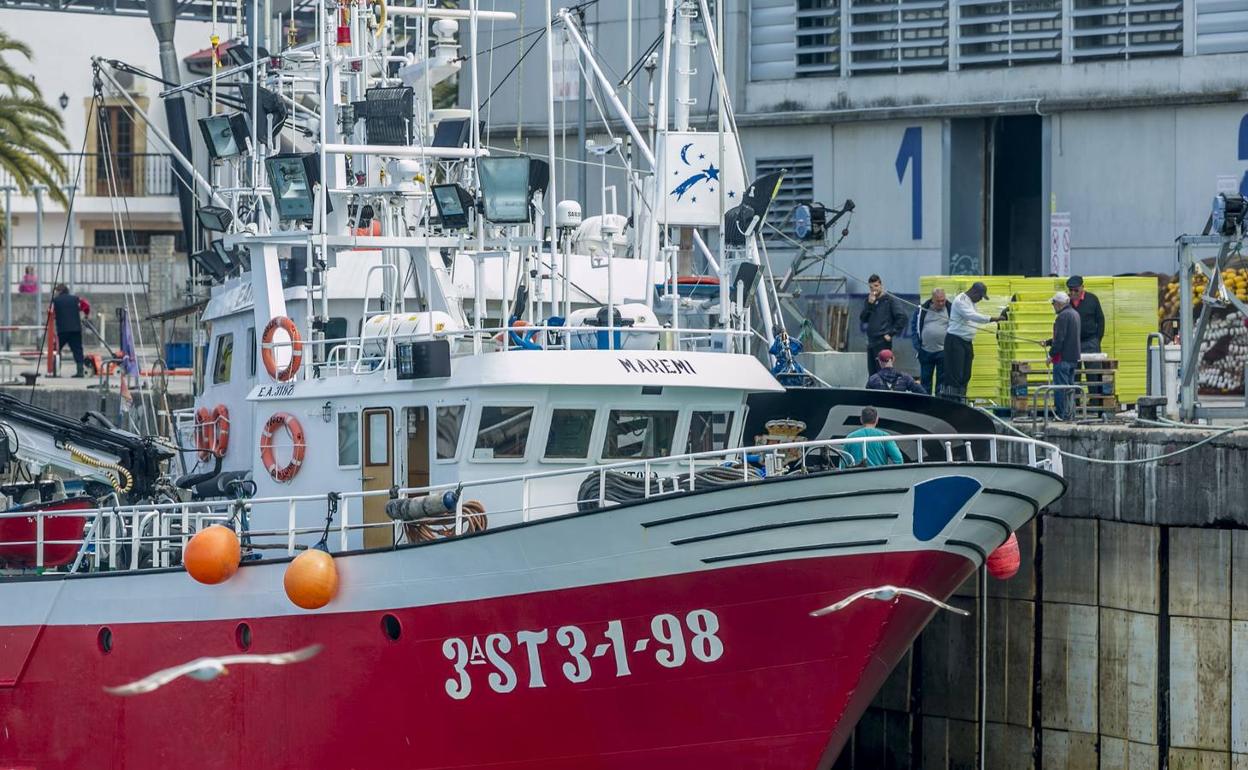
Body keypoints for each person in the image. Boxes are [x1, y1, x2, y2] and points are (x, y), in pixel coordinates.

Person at [941, 281, 1005, 401]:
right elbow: (972, 316)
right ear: (974, 292)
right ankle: (951, 400)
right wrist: (993, 319)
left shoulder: (971, 302)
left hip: (966, 341)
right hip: (955, 340)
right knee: (955, 374)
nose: (980, 299)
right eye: (980, 296)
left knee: (966, 374)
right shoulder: (961, 301)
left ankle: (961, 398)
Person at [859, 274, 908, 376]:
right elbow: (863, 319)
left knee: (883, 372)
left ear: (881, 285)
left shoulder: (890, 300)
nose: (874, 290)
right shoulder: (869, 301)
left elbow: (902, 317)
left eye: (876, 286)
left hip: (883, 341)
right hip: (871, 341)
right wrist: (869, 305)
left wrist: (891, 333)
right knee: (872, 373)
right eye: (871, 287)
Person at [1046, 291, 1082, 420]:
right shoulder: (1075, 314)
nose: (1053, 306)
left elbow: (1060, 339)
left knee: (1060, 388)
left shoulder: (1062, 317)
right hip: (1073, 357)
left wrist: (1050, 355)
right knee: (1070, 388)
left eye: (1054, 303)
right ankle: (1070, 414)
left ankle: (1061, 415)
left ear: (1059, 304)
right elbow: (1067, 336)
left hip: (1062, 359)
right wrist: (1048, 342)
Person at [909, 287, 949, 394]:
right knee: (925, 382)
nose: (941, 303)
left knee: (942, 383)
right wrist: (918, 346)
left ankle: (940, 403)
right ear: (933, 299)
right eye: (938, 301)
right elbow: (914, 328)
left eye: (943, 300)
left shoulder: (950, 308)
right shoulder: (922, 309)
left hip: (943, 351)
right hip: (925, 351)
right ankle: (926, 405)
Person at [51, 283, 91, 378]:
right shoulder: (75, 299)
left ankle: (56, 371)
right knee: (77, 349)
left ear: (60, 291)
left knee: (56, 350)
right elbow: (86, 305)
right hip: (75, 329)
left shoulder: (56, 301)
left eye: (56, 291)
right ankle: (80, 371)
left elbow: (51, 313)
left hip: (62, 330)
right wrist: (85, 315)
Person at [1065, 275, 1104, 353]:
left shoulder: (1092, 299)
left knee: (1093, 365)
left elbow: (1100, 320)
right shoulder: (1066, 301)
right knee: (1073, 365)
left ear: (1082, 287)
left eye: (1076, 290)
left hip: (1090, 342)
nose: (1073, 293)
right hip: (1072, 343)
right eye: (1070, 290)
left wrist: (1097, 339)